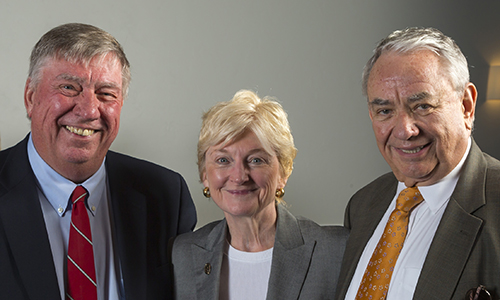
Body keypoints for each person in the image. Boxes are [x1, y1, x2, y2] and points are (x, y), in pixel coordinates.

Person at [0, 23, 197, 300]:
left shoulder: (164, 195)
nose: (89, 110)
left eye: (106, 93)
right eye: (69, 87)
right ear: (30, 98)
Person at [335, 27, 500, 300]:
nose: (404, 130)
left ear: (466, 106)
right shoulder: (362, 206)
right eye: (385, 111)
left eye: (422, 106)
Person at [170, 90, 349, 299]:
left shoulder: (335, 250)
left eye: (256, 160)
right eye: (223, 160)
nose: (239, 176)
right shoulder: (182, 255)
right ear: (204, 175)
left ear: (283, 171)